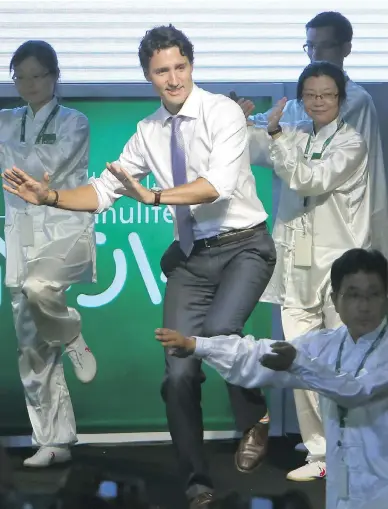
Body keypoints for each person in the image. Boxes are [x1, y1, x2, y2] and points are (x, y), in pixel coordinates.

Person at [1, 26, 276, 508]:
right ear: (148, 75)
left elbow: (217, 186)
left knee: (217, 332)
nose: (173, 79)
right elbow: (104, 192)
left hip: (244, 246)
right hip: (193, 256)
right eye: (161, 71)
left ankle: (256, 413)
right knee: (178, 373)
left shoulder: (222, 111)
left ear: (192, 65)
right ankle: (197, 481)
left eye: (180, 67)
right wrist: (51, 196)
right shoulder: (148, 132)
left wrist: (151, 196)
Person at [235, 11, 386, 481]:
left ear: (345, 49)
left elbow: (308, 172)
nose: (317, 55)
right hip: (296, 251)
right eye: (310, 48)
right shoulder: (301, 108)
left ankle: (351, 450)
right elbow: (265, 141)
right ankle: (321, 452)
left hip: (342, 253)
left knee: (344, 357)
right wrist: (238, 119)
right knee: (299, 351)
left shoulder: (355, 104)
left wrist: (276, 134)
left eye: (323, 47)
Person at [156, 248, 388, 509]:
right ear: (334, 299)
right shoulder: (328, 345)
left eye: (374, 295)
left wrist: (298, 364)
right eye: (354, 295)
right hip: (341, 491)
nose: (364, 306)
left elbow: (356, 391)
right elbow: (258, 355)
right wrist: (197, 345)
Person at [0, 40, 97, 467]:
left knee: (41, 287)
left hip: (65, 233)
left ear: (54, 76)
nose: (29, 84)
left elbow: (43, 171)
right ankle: (53, 440)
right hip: (20, 237)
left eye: (37, 75)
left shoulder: (75, 121)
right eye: (20, 76)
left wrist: (9, 154)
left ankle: (71, 331)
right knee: (31, 345)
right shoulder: (5, 120)